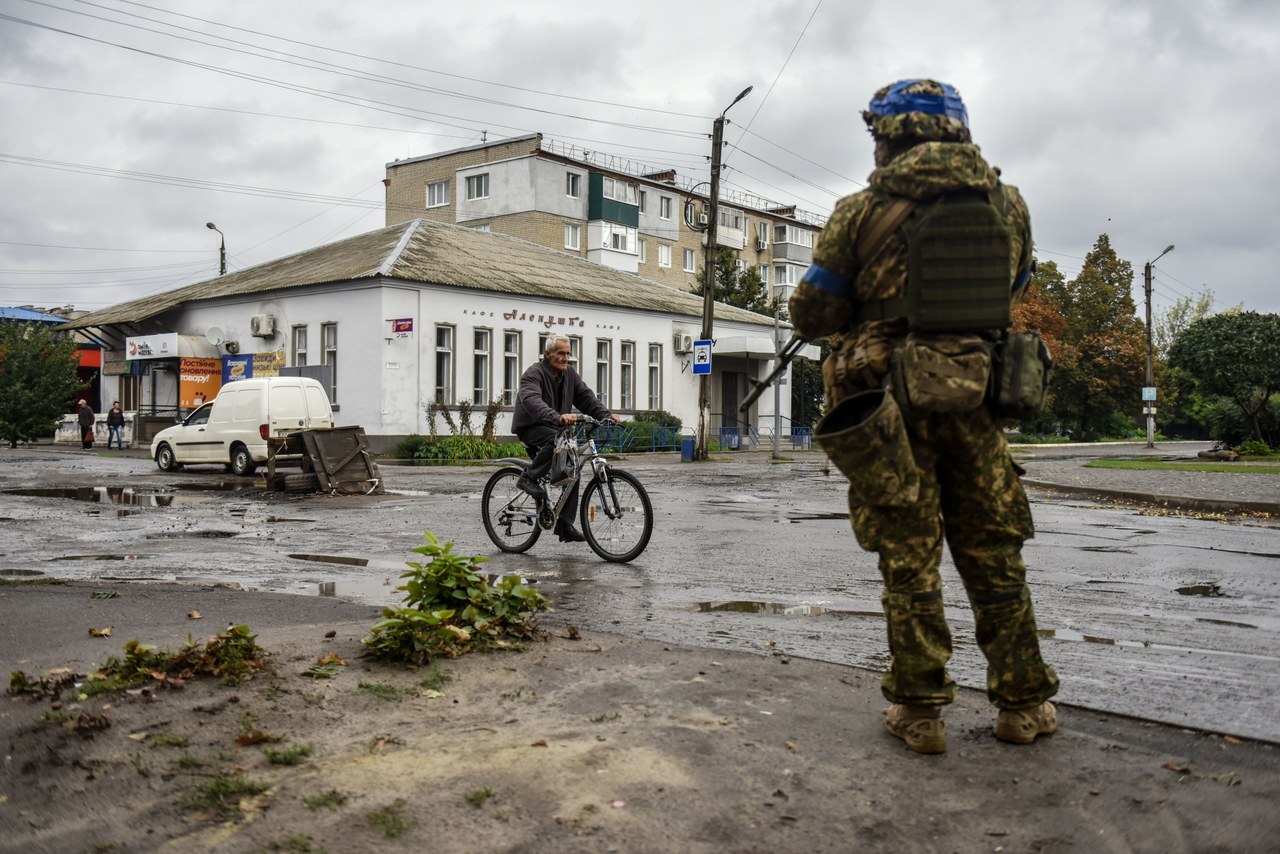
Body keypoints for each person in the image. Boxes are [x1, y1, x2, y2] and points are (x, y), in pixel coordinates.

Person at [789, 79, 1058, 754]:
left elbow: (813, 313)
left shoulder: (859, 212)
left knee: (910, 561)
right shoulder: (1009, 205)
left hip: (887, 409)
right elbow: (1016, 287)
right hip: (979, 402)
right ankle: (1023, 706)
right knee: (996, 556)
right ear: (958, 133)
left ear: (887, 138)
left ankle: (920, 712)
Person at [511, 335, 621, 543]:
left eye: (568, 353)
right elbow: (532, 400)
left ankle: (565, 524)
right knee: (560, 440)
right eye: (561, 353)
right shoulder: (533, 374)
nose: (566, 358)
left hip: (556, 427)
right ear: (547, 354)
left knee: (574, 467)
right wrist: (557, 417)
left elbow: (586, 398)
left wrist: (605, 415)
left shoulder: (570, 374)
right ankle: (528, 477)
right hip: (532, 427)